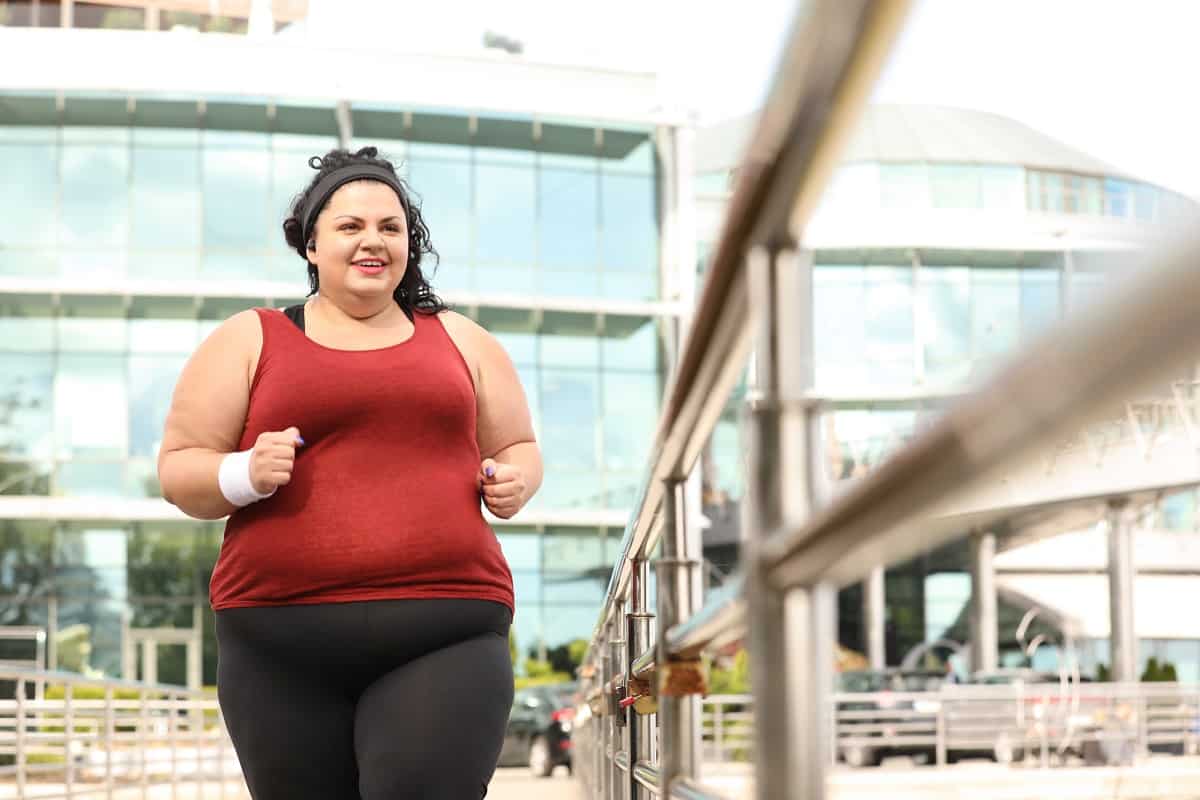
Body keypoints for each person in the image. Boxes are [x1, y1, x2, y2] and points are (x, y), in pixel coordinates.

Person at [157, 146, 542, 799]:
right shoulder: (250, 337)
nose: (374, 241)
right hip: (279, 647)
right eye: (350, 226)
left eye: (391, 228)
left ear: (408, 246)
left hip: (444, 630)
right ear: (311, 245)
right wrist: (245, 473)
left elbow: (519, 446)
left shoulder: (462, 339)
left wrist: (514, 481)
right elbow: (179, 470)